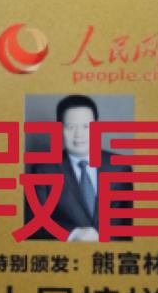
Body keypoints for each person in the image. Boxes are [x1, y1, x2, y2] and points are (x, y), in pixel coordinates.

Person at [25, 94, 132, 241]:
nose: (79, 135)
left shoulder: (120, 167)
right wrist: (73, 235)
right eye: (71, 127)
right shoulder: (43, 171)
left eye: (86, 126)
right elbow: (34, 223)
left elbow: (130, 222)